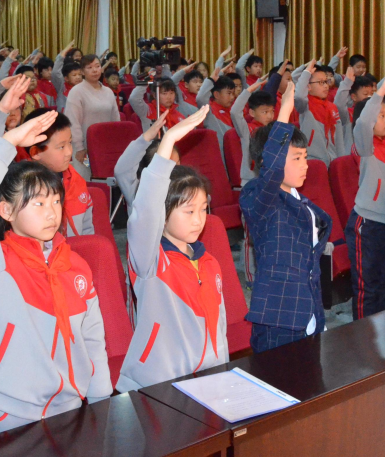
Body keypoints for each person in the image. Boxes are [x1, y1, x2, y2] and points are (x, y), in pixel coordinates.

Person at [0, 88, 111, 438]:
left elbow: (92, 336)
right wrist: (8, 140)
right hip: (14, 409)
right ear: (7, 211)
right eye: (38, 204)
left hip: (73, 404)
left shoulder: (75, 265)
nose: (52, 212)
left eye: (56, 201)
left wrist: (101, 394)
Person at [116, 106, 228, 390]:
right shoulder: (151, 261)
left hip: (205, 381)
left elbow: (219, 330)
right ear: (163, 213)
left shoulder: (210, 263)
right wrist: (167, 142)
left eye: (203, 209)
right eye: (188, 211)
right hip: (159, 385)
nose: (199, 219)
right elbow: (146, 212)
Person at [242, 82, 330, 352]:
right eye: (296, 158)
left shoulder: (301, 200)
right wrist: (284, 113)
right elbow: (271, 168)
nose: (305, 165)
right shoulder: (258, 196)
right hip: (278, 316)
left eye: (305, 157)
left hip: (309, 311)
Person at [343, 74, 385, 319]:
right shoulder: (365, 147)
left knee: (381, 286)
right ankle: (361, 340)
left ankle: (375, 336)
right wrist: (378, 95)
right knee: (366, 289)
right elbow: (363, 124)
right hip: (367, 225)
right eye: (381, 116)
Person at [23, 108, 94, 237]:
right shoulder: (23, 189)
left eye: (70, 143)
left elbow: (87, 230)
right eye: (61, 147)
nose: (69, 152)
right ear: (36, 152)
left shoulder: (76, 180)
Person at [64, 54, 120, 164]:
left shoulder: (108, 92)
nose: (95, 70)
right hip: (84, 147)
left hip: (107, 145)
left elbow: (116, 119)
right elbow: (73, 122)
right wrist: (79, 147)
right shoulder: (76, 92)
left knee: (106, 179)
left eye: (97, 66)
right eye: (89, 68)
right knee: (85, 179)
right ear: (82, 72)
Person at [295, 60, 348, 164]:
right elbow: (299, 96)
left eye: (326, 82)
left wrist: (341, 161)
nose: (326, 86)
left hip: (333, 160)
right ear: (308, 86)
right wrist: (306, 73)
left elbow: (339, 139)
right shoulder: (306, 105)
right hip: (313, 160)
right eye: (321, 82)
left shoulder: (332, 107)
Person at [231, 82, 275, 185]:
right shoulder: (247, 129)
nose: (270, 116)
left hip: (269, 178)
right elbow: (234, 112)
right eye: (265, 112)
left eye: (272, 111)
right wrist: (248, 91)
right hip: (250, 180)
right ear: (252, 113)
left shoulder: (272, 129)